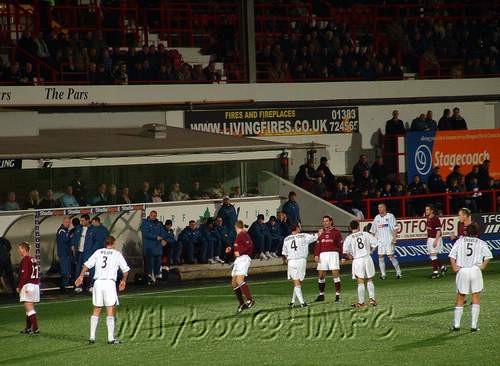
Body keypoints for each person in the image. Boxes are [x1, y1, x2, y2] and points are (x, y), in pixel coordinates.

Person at [75, 235, 130, 344]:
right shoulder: (117, 254)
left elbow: (86, 265)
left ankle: (92, 337)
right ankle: (110, 338)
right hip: (109, 283)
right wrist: (123, 280)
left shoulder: (98, 252)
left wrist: (81, 276)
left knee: (96, 309)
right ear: (113, 243)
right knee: (110, 309)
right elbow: (126, 269)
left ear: (105, 243)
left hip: (98, 283)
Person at [449, 223, 492, 332]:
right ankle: (473, 325)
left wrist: (454, 267)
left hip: (463, 270)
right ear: (477, 233)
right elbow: (488, 256)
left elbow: (452, 255)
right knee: (476, 297)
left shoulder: (460, 241)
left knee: (460, 297)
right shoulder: (481, 242)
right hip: (475, 271)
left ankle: (457, 325)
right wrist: (482, 266)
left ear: (466, 231)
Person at [343, 220, 379, 308]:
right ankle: (372, 299)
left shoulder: (349, 238)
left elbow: (345, 251)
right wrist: (371, 251)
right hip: (367, 258)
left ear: (350, 228)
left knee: (360, 280)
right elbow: (376, 244)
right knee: (369, 279)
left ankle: (361, 302)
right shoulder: (365, 234)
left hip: (358, 260)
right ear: (358, 226)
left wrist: (350, 256)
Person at [282, 224, 319, 308]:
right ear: (297, 228)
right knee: (298, 282)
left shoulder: (286, 239)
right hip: (300, 260)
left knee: (296, 282)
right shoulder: (303, 236)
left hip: (291, 261)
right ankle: (302, 303)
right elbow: (315, 237)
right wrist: (319, 233)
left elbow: (284, 253)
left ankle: (292, 302)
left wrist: (289, 260)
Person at [225, 220, 255, 313]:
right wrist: (231, 250)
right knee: (234, 282)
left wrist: (241, 252)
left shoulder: (243, 234)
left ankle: (250, 300)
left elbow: (250, 245)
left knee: (239, 280)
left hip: (244, 258)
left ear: (236, 227)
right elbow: (237, 248)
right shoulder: (238, 236)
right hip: (238, 260)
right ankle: (242, 304)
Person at [314, 215, 343, 303]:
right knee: (321, 275)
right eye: (324, 221)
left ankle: (338, 295)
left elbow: (340, 245)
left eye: (327, 221)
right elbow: (318, 244)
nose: (325, 223)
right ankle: (321, 295)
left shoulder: (336, 232)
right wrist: (316, 254)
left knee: (335, 273)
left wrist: (342, 256)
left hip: (333, 254)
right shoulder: (321, 232)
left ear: (331, 222)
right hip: (322, 255)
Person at [370, 203, 402, 279]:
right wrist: (371, 241)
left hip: (389, 240)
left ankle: (398, 272)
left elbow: (395, 228)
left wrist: (394, 238)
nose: (379, 209)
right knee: (380, 257)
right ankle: (383, 274)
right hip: (380, 241)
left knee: (391, 256)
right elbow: (373, 231)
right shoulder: (376, 218)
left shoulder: (390, 216)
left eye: (381, 207)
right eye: (378, 208)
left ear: (385, 208)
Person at [17, 242, 40, 334]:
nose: (19, 250)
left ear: (24, 249)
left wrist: (19, 286)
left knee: (29, 307)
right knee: (28, 307)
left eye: (19, 248)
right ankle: (28, 328)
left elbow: (24, 274)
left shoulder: (25, 259)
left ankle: (35, 328)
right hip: (35, 285)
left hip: (28, 285)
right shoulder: (33, 259)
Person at [72, 214, 96, 293]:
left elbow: (96, 242)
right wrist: (73, 247)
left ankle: (91, 286)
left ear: (87, 220)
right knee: (78, 269)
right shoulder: (78, 228)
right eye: (81, 220)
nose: (81, 222)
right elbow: (74, 239)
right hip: (79, 252)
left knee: (91, 269)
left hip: (88, 252)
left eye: (82, 220)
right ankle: (78, 286)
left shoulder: (93, 229)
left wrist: (92, 251)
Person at [140, 210, 166, 283]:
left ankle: (157, 277)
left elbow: (163, 233)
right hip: (149, 248)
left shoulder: (159, 224)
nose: (153, 217)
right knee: (150, 264)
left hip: (157, 247)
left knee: (158, 263)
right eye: (152, 216)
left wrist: (163, 239)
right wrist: (155, 237)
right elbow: (145, 234)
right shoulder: (145, 223)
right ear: (150, 215)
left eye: (155, 216)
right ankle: (150, 277)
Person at [424, 205, 447, 279]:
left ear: (432, 211)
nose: (426, 211)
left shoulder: (435, 219)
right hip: (430, 238)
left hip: (435, 239)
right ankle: (443, 268)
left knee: (433, 255)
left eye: (427, 210)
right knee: (432, 256)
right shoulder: (428, 218)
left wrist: (436, 241)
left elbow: (438, 231)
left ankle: (435, 272)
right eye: (426, 210)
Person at [56, 217, 74, 292]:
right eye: (67, 222)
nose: (68, 224)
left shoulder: (66, 231)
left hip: (67, 254)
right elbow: (65, 240)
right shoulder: (62, 231)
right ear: (63, 222)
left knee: (68, 270)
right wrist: (71, 237)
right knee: (65, 271)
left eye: (69, 222)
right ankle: (63, 286)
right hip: (63, 254)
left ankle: (65, 285)